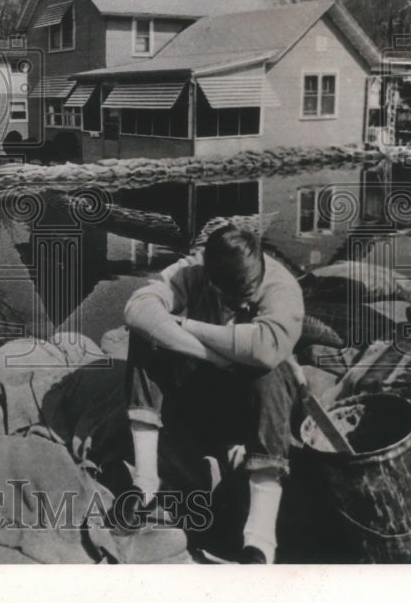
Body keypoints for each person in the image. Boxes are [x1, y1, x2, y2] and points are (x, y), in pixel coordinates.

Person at [121, 224, 304, 563]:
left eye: (248, 296)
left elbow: (265, 349)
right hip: (199, 397)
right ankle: (146, 480)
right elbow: (137, 309)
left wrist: (187, 326)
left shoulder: (282, 286)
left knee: (272, 372)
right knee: (145, 337)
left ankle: (259, 538)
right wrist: (213, 355)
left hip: (247, 406)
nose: (241, 303)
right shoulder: (191, 270)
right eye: (229, 298)